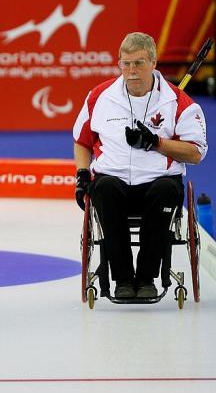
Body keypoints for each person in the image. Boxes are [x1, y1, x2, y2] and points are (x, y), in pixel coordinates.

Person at [73, 32, 208, 299]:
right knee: (105, 188)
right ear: (119, 63)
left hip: (159, 183)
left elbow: (195, 153)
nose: (132, 71)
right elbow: (82, 141)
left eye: (139, 63)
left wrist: (156, 142)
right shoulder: (100, 97)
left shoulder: (177, 101)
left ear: (154, 62)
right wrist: (81, 174)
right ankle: (122, 280)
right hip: (113, 180)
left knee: (165, 191)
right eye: (126, 63)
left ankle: (146, 279)